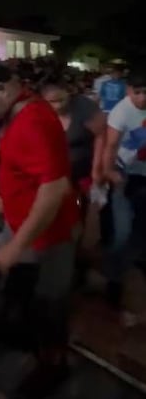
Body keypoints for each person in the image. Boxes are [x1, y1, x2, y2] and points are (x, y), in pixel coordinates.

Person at [0, 61, 79, 397]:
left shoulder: (31, 119)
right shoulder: (19, 113)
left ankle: (54, 365)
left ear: (3, 89)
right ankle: (33, 346)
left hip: (49, 237)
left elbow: (54, 189)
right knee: (33, 298)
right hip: (28, 231)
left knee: (51, 304)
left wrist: (16, 247)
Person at [97, 70, 146, 325]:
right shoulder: (121, 112)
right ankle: (113, 284)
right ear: (129, 91)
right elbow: (111, 145)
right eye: (138, 92)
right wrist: (108, 172)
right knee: (122, 234)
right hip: (124, 177)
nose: (142, 98)